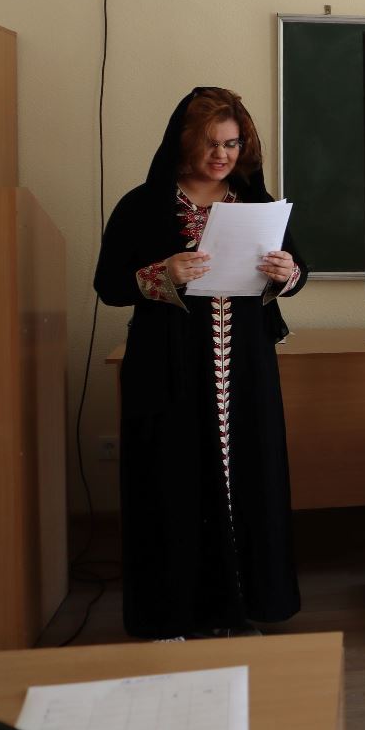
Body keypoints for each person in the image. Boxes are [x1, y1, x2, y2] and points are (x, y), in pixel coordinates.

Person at [94, 87, 307, 640]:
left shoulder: (257, 203)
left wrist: (287, 273)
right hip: (169, 369)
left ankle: (240, 610)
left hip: (246, 368)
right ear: (184, 141)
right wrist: (162, 273)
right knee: (171, 483)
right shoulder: (143, 205)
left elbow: (297, 269)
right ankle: (172, 616)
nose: (222, 155)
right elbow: (108, 284)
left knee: (248, 481)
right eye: (211, 143)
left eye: (232, 144)